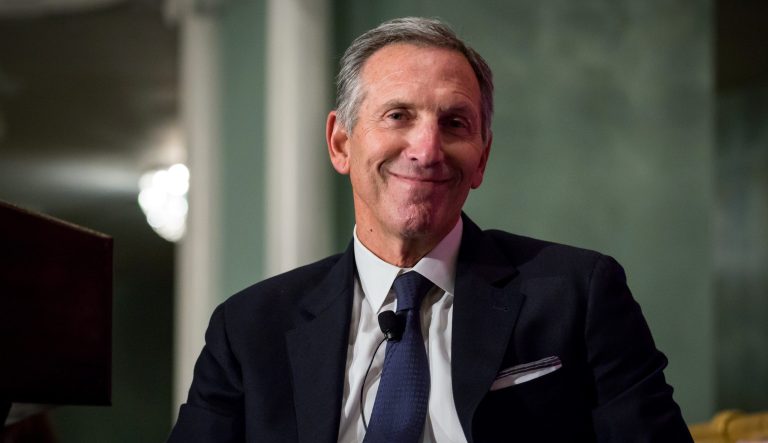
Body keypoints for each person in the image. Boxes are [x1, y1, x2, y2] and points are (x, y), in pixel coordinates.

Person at [168, 17, 693, 443]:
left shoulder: (580, 294)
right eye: (398, 115)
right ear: (341, 143)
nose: (426, 150)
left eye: (455, 123)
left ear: (482, 158)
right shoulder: (248, 329)